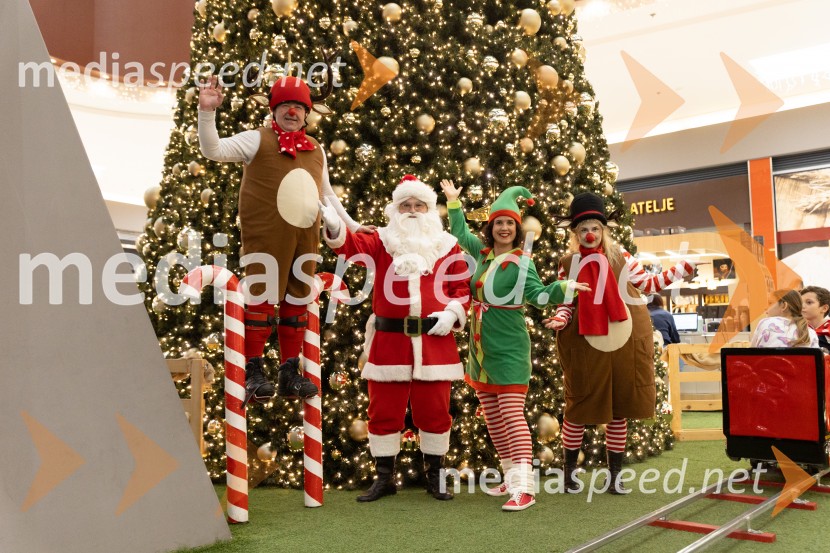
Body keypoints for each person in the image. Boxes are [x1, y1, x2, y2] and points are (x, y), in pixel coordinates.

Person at [198, 75, 373, 404]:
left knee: (297, 303)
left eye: (298, 106)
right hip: (266, 236)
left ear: (307, 112)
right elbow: (213, 149)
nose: (292, 112)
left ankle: (289, 370)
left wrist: (352, 224)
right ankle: (253, 370)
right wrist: (207, 112)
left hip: (305, 237)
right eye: (285, 105)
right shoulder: (256, 140)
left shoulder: (317, 149)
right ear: (273, 109)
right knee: (261, 303)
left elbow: (327, 194)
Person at [319, 174, 471, 502]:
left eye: (419, 205)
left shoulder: (448, 245)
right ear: (395, 209)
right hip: (389, 343)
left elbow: (462, 289)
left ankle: (435, 478)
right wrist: (334, 226)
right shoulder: (381, 239)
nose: (413, 211)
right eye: (406, 205)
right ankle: (384, 478)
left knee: (434, 411)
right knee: (383, 410)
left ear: (430, 210)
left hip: (434, 342)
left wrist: (451, 313)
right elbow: (349, 246)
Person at [440, 180, 589, 511]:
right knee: (492, 417)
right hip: (480, 350)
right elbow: (460, 231)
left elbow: (536, 295)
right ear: (491, 227)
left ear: (517, 228)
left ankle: (525, 488)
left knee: (511, 413)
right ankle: (509, 476)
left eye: (510, 223)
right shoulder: (480, 254)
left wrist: (564, 287)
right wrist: (453, 203)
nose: (504, 228)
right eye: (499, 223)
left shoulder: (523, 261)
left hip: (509, 348)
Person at [543, 192, 695, 495]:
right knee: (578, 408)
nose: (590, 233)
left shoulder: (621, 257)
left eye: (595, 228)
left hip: (623, 342)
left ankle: (615, 476)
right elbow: (566, 301)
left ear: (604, 230)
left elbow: (648, 285)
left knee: (618, 410)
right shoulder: (568, 263)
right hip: (585, 344)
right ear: (575, 233)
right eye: (583, 228)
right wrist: (560, 318)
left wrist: (680, 269)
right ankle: (569, 474)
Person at [751, 289, 819, 348]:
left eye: (770, 303)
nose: (765, 308)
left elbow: (751, 353)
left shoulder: (766, 322)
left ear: (784, 306)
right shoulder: (811, 333)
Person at [800, 286, 830, 352]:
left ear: (824, 308)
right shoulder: (794, 329)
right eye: (800, 302)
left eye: (809, 302)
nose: (802, 306)